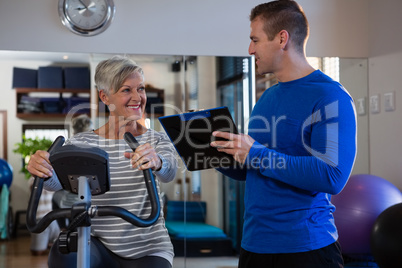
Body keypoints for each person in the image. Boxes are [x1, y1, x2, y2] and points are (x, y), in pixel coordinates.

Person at [210, 1, 357, 267]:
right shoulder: (267, 97)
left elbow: (332, 175)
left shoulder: (330, 96)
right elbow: (255, 169)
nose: (250, 49)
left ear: (281, 38)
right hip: (254, 244)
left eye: (255, 40)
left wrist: (256, 153)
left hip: (305, 247)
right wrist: (213, 153)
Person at [27, 55, 178, 268]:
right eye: (127, 90)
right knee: (63, 256)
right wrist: (42, 170)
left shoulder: (157, 140)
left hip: (148, 246)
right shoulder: (82, 142)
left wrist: (158, 161)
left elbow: (169, 172)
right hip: (98, 243)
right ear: (105, 97)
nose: (138, 97)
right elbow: (57, 183)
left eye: (141, 88)